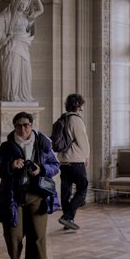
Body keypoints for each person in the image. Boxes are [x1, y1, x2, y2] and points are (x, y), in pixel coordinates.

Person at [0, 111, 60, 259]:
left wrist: (41, 169)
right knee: (13, 235)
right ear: (14, 127)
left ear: (32, 125)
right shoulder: (7, 147)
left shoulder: (43, 143)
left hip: (37, 196)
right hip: (13, 196)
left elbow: (55, 165)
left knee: (37, 236)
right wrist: (10, 166)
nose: (23, 129)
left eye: (26, 125)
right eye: (19, 125)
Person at [0, 0, 44, 102]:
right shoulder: (10, 15)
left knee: (25, 73)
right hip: (13, 45)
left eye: (26, 4)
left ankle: (24, 95)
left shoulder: (27, 17)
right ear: (18, 2)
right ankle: (12, 95)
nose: (24, 6)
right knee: (12, 71)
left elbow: (41, 10)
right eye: (23, 3)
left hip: (24, 46)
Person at [56, 93, 89, 231]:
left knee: (65, 193)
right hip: (76, 161)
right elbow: (82, 140)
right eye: (81, 105)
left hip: (63, 161)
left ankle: (67, 219)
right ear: (78, 105)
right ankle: (68, 217)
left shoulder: (62, 118)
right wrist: (86, 156)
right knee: (82, 190)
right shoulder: (76, 120)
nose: (82, 108)